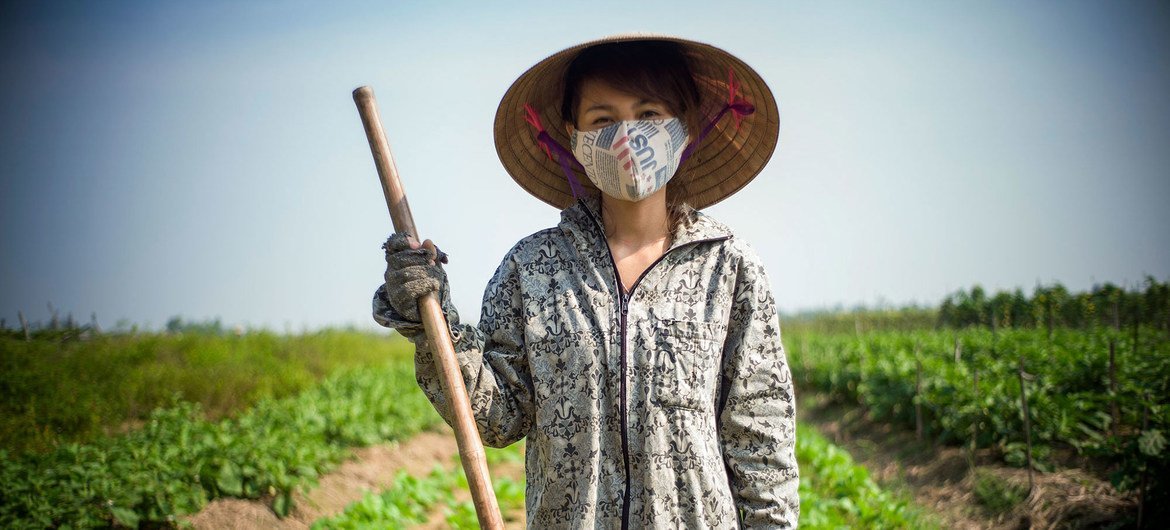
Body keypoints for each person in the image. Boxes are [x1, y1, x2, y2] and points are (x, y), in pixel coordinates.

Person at [374, 35, 798, 529]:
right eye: (603, 119)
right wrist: (431, 323)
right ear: (575, 137)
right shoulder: (533, 268)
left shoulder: (728, 268)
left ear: (683, 128)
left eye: (648, 114)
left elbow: (760, 437)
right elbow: (496, 414)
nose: (627, 136)